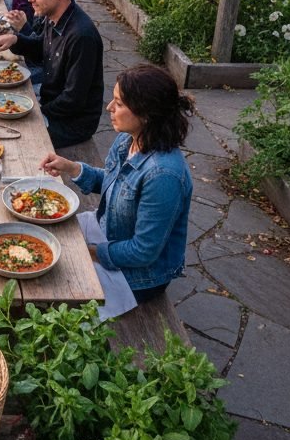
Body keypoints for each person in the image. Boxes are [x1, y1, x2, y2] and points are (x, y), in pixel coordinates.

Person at [40, 65, 195, 302]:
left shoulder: (164, 175)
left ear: (146, 114)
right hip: (107, 231)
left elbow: (143, 251)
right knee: (41, 235)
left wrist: (89, 252)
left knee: (53, 282)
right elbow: (117, 185)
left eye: (119, 104)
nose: (109, 108)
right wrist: (72, 167)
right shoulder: (128, 140)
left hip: (138, 276)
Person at [0, 0, 103, 148]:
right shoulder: (54, 16)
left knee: (6, 139)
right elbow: (43, 49)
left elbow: (73, 99)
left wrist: (33, 111)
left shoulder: (82, 36)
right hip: (51, 104)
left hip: (71, 123)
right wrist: (16, 40)